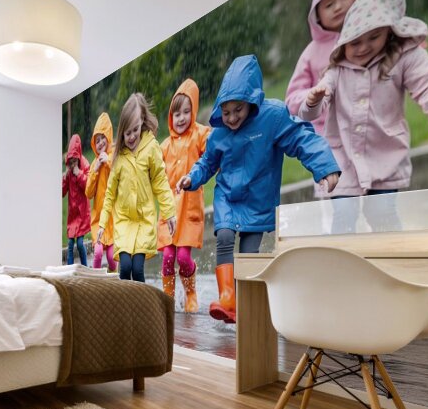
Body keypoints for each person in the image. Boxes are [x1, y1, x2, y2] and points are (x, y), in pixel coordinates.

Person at [176, 55, 340, 323]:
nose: (231, 118)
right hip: (228, 196)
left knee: (249, 252)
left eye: (238, 110)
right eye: (225, 112)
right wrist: (192, 178)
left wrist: (324, 165)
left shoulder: (272, 117)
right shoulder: (218, 132)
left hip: (257, 199)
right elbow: (207, 162)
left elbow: (301, 138)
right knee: (226, 236)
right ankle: (227, 297)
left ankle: (244, 303)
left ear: (252, 101)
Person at [299, 0, 428, 233]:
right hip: (341, 160)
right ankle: (341, 265)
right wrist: (312, 101)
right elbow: (310, 112)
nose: (364, 47)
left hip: (384, 156)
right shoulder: (336, 70)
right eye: (355, 42)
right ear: (344, 40)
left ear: (389, 33)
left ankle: (391, 258)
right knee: (343, 215)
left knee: (382, 213)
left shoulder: (403, 57)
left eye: (374, 37)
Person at [285, 0, 370, 200]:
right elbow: (292, 98)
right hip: (330, 141)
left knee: (380, 205)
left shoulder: (374, 39)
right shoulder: (313, 52)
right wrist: (311, 96)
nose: (339, 6)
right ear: (317, 14)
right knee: (340, 205)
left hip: (369, 135)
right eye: (329, 4)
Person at [96, 93, 176, 282]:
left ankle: (141, 307)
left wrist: (169, 212)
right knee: (125, 269)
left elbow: (160, 181)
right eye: (127, 132)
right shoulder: (119, 157)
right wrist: (102, 223)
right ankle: (126, 306)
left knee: (137, 270)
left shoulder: (150, 148)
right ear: (121, 131)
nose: (132, 136)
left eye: (135, 130)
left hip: (143, 220)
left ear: (142, 123)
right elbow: (110, 193)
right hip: (123, 222)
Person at [157, 79, 211, 312]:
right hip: (168, 210)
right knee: (168, 256)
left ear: (194, 112)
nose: (181, 118)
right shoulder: (164, 145)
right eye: (176, 113)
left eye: (186, 112)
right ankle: (168, 296)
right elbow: (152, 170)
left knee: (183, 258)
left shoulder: (199, 135)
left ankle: (190, 292)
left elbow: (213, 151)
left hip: (189, 208)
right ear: (170, 116)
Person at [85, 113, 117, 271]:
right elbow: (88, 193)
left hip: (112, 219)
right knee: (98, 253)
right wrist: (95, 171)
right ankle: (95, 279)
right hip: (98, 220)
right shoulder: (94, 165)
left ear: (109, 138)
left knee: (112, 257)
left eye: (103, 138)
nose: (100, 143)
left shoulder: (114, 158)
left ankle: (114, 280)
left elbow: (120, 178)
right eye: (96, 141)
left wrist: (109, 162)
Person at [62, 133, 90, 265]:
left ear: (78, 157)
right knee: (70, 243)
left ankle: (85, 266)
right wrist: (63, 178)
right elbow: (63, 192)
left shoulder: (84, 167)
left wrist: (79, 174)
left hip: (82, 213)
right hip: (72, 214)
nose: (73, 165)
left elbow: (88, 188)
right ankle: (69, 268)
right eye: (70, 162)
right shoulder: (69, 172)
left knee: (79, 243)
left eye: (75, 161)